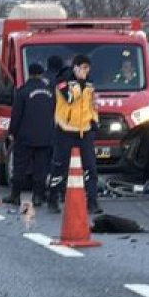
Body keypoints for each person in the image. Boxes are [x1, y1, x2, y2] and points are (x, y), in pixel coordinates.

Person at [47, 55, 101, 214]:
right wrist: (80, 84)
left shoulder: (90, 83)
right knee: (59, 167)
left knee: (90, 168)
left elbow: (92, 104)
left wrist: (94, 120)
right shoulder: (62, 80)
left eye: (88, 68)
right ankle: (53, 198)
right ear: (75, 67)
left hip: (84, 130)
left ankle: (92, 202)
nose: (86, 71)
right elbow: (69, 98)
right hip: (65, 130)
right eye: (83, 68)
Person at [5, 63, 55, 208]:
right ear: (41, 74)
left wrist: (12, 132)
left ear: (30, 74)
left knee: (20, 167)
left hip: (24, 137)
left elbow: (16, 115)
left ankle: (15, 196)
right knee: (41, 168)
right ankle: (38, 196)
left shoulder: (22, 92)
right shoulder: (51, 92)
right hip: (45, 137)